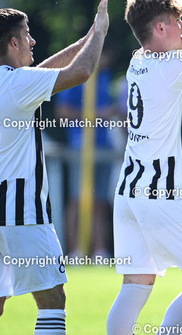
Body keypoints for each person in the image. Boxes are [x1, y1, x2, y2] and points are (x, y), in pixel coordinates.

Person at [0, 0, 109, 335]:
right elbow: (81, 72)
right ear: (14, 42)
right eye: (27, 34)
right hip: (21, 213)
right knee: (52, 301)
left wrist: (85, 39)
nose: (33, 41)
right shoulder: (18, 84)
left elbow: (41, 74)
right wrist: (101, 33)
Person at [106, 0, 182, 334]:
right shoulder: (171, 65)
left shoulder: (139, 59)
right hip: (166, 191)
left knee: (135, 285)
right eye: (177, 21)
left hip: (130, 190)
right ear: (159, 28)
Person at [55, 47, 117, 259]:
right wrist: (96, 115)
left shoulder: (106, 76)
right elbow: (62, 112)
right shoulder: (75, 77)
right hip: (80, 146)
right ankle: (75, 251)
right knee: (77, 199)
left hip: (104, 146)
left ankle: (99, 251)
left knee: (100, 201)